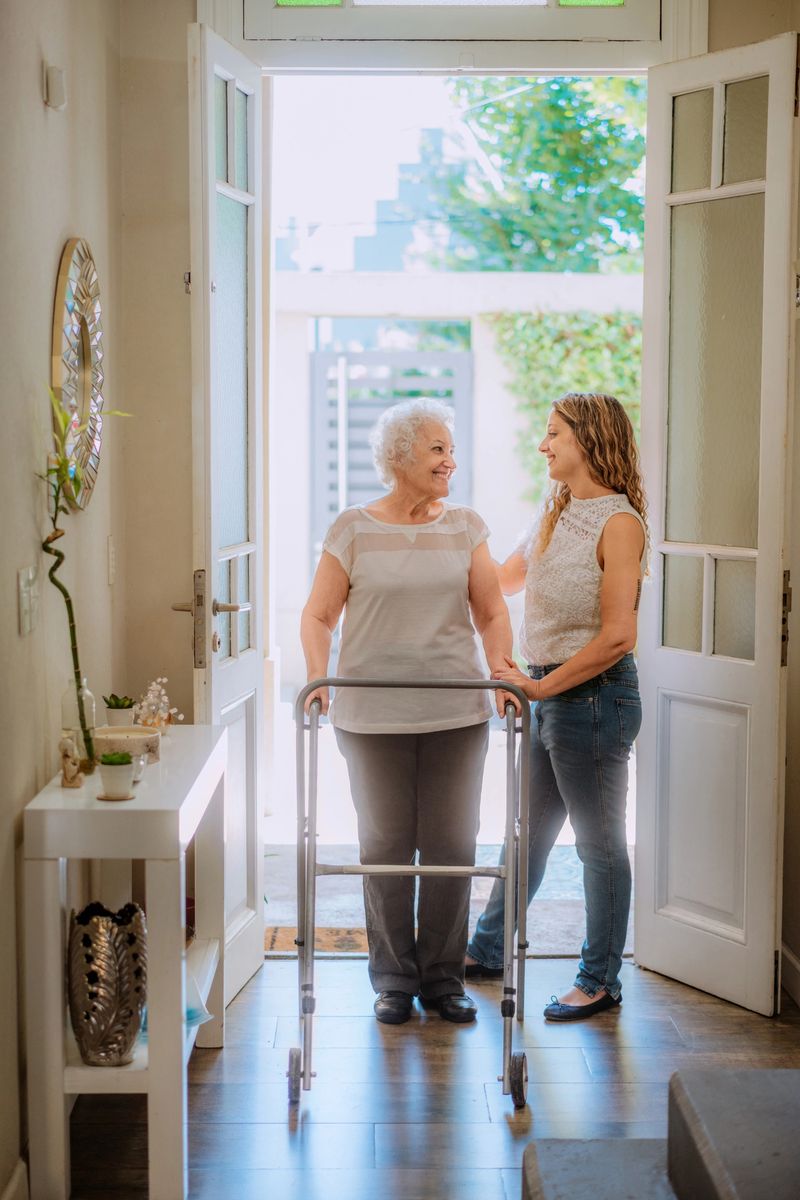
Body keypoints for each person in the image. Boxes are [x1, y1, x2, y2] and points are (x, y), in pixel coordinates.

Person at [300, 398, 514, 1026]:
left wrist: (501, 668)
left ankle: (444, 980)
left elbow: (492, 611)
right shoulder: (353, 528)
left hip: (456, 713)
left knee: (451, 846)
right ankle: (393, 979)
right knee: (386, 847)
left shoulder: (467, 527)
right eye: (438, 450)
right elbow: (317, 615)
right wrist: (319, 679)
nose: (451, 460)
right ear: (400, 458)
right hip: (372, 717)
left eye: (450, 449)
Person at [466, 391, 647, 1022]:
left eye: (554, 434)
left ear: (589, 440)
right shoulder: (556, 506)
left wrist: (541, 688)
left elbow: (618, 636)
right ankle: (486, 950)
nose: (544, 445)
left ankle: (599, 980)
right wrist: (441, 542)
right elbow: (503, 578)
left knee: (598, 845)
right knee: (528, 832)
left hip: (594, 700)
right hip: (549, 694)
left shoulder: (619, 523)